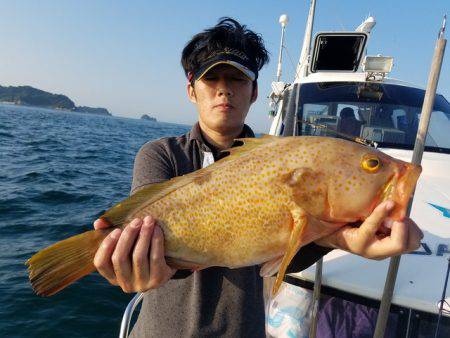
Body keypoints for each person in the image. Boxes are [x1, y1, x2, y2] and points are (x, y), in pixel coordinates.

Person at [92, 18, 423, 337]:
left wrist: (334, 238)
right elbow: (154, 242)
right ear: (191, 90)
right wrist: (146, 262)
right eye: (212, 80)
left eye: (236, 80)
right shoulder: (161, 155)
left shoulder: (279, 159)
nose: (224, 91)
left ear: (253, 92)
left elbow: (282, 255)